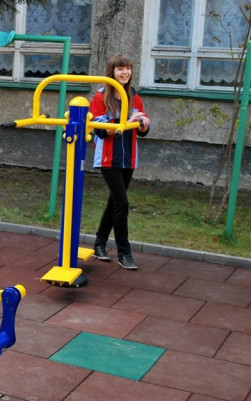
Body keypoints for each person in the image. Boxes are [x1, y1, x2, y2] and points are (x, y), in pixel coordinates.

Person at [89, 54, 150, 270]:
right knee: (122, 203)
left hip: (128, 157)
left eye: (128, 69)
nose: (125, 73)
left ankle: (99, 244)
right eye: (120, 69)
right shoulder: (100, 97)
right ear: (112, 72)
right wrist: (125, 121)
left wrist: (143, 124)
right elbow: (100, 130)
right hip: (108, 157)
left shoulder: (134, 95)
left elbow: (142, 129)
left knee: (115, 202)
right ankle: (124, 253)